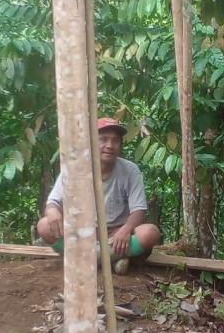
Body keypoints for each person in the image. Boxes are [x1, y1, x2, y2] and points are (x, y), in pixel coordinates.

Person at [36, 117, 161, 274]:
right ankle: (111, 259)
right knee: (44, 226)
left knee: (150, 233)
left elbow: (139, 211)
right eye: (103, 139)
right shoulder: (75, 168)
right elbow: (53, 202)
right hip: (82, 234)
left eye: (115, 141)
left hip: (116, 236)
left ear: (120, 145)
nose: (109, 145)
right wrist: (53, 211)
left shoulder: (130, 170)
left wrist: (127, 228)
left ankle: (83, 259)